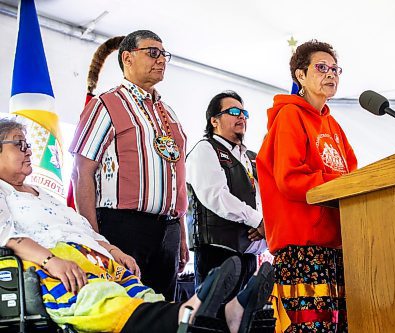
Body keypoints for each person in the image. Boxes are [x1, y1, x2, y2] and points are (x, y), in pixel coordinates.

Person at [0, 118, 274, 333]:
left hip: (95, 257)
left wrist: (111, 249)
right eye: (19, 144)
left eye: (27, 144)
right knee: (100, 299)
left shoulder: (43, 194)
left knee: (144, 295)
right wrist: (50, 260)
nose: (29, 150)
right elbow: (7, 236)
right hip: (56, 263)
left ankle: (229, 315)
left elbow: (80, 227)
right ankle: (191, 314)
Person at [69, 30, 189, 300]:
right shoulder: (106, 104)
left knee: (164, 311)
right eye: (153, 53)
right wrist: (94, 238)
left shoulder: (168, 112)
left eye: (164, 54)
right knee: (128, 309)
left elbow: (175, 178)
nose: (161, 60)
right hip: (124, 226)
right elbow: (81, 172)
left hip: (168, 227)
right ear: (128, 58)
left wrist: (181, 233)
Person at [256, 40, 358, 332]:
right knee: (311, 328)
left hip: (336, 249)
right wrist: (339, 185)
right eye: (321, 67)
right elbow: (289, 179)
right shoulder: (289, 116)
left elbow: (353, 175)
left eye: (335, 69)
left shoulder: (333, 126)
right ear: (300, 76)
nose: (331, 74)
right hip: (303, 250)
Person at [186, 91, 266, 295]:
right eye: (233, 111)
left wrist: (266, 224)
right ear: (214, 120)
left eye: (244, 112)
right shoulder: (205, 149)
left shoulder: (251, 157)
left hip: (249, 258)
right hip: (217, 255)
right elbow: (216, 196)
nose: (241, 116)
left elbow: (264, 198)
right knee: (213, 322)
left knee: (242, 323)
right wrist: (257, 220)